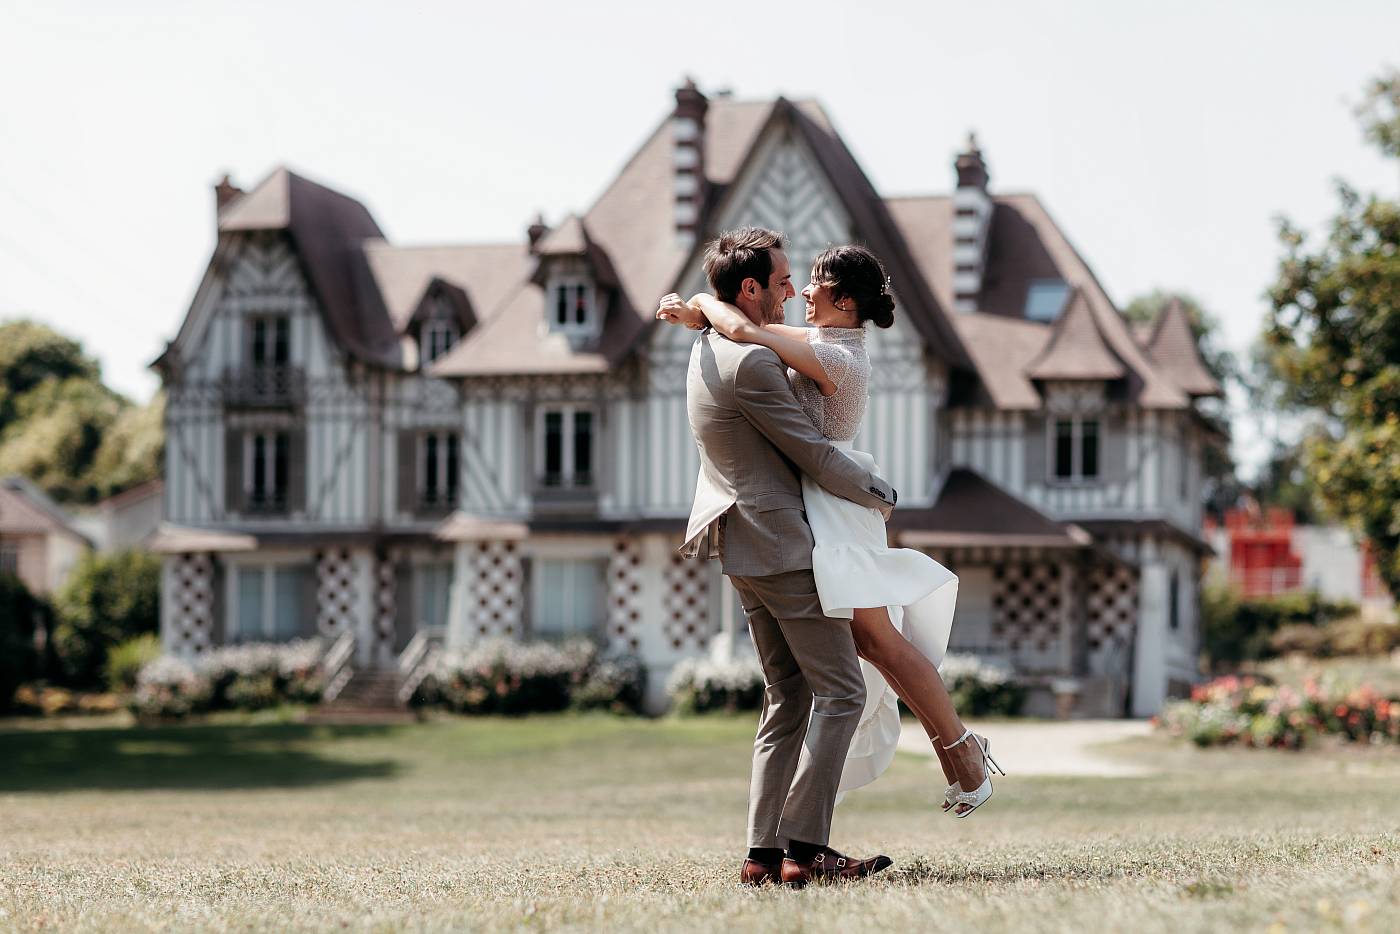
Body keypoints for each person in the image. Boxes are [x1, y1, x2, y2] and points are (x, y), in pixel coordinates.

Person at [659, 242, 1003, 824]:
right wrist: (700, 306)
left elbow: (742, 328)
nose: (803, 293)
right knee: (872, 645)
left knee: (878, 642)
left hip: (840, 502)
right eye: (799, 281)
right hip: (819, 502)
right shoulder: (816, 343)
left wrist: (698, 304)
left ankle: (964, 754)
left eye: (815, 283)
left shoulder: (836, 355)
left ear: (845, 301)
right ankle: (960, 755)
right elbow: (740, 323)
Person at [675, 227, 897, 888]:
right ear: (748, 288)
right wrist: (884, 493)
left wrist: (700, 306)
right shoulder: (756, 364)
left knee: (788, 698)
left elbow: (716, 313)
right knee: (843, 690)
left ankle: (762, 855)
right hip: (779, 543)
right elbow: (816, 455)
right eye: (778, 282)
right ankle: (807, 848)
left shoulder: (708, 347)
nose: (789, 291)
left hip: (742, 545)